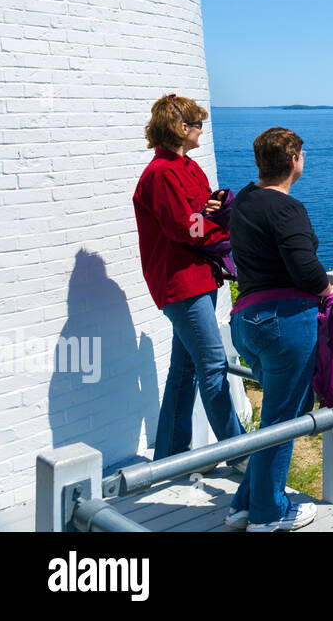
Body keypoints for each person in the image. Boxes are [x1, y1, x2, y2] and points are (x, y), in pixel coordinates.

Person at [225, 126, 333, 531]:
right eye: (302, 155)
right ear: (294, 160)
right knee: (281, 422)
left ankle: (244, 503)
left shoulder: (243, 201)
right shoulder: (286, 208)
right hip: (283, 324)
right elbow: (307, 271)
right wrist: (331, 288)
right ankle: (268, 515)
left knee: (283, 412)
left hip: (247, 321)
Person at [133, 93, 246, 462]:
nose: (201, 129)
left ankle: (169, 458)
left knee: (184, 371)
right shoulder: (162, 174)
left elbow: (198, 214)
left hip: (198, 278)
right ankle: (243, 454)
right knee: (213, 366)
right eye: (198, 124)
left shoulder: (187, 167)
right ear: (182, 128)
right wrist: (225, 232)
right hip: (180, 283)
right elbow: (186, 227)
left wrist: (215, 205)